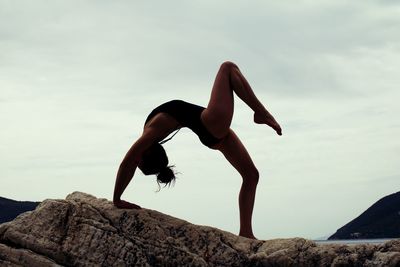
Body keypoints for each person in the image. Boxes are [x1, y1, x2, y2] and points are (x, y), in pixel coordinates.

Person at [113, 61, 282, 239]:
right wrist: (117, 199)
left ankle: (246, 233)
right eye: (139, 160)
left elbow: (131, 162)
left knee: (251, 175)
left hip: (213, 133)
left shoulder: (153, 134)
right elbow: (128, 162)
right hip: (210, 123)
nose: (136, 158)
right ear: (145, 156)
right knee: (227, 68)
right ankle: (261, 113)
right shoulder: (152, 130)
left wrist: (118, 197)